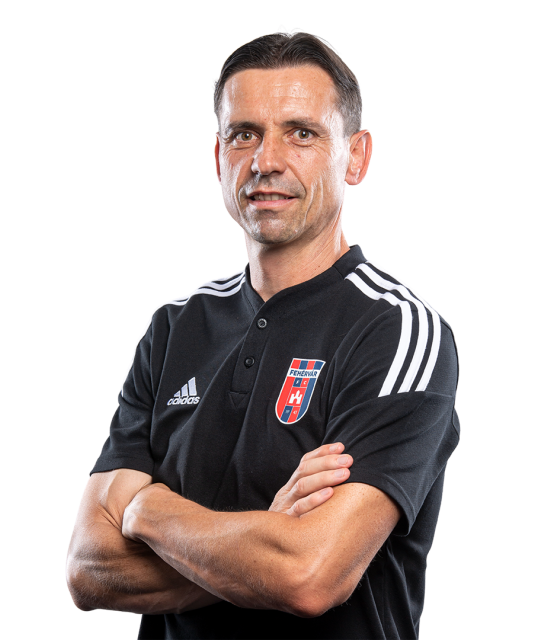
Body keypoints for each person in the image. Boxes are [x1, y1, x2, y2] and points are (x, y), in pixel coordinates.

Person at [66, 29, 460, 640]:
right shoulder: (173, 327)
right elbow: (88, 570)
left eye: (301, 133)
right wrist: (265, 542)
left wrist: (149, 510)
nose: (266, 161)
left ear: (357, 157)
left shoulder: (398, 330)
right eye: (244, 134)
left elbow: (309, 576)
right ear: (218, 157)